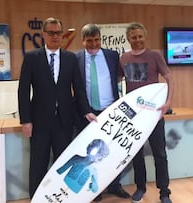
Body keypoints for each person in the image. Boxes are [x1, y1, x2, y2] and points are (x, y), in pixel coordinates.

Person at [17, 17, 96, 199]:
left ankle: (61, 198)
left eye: (58, 33)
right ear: (44, 34)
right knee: (38, 164)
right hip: (39, 123)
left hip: (64, 122)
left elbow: (78, 87)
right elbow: (23, 91)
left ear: (62, 35)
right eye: (51, 33)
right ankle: (37, 199)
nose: (55, 36)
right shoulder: (31, 58)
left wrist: (86, 111)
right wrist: (26, 120)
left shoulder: (70, 58)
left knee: (62, 164)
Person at [119, 22, 174, 203]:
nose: (137, 40)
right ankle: (140, 187)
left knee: (160, 154)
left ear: (145, 36)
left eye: (140, 36)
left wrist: (168, 103)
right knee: (136, 154)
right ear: (128, 39)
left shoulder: (154, 55)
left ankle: (164, 191)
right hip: (134, 117)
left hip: (154, 115)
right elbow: (119, 81)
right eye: (134, 37)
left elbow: (169, 78)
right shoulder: (123, 58)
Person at [75, 23, 130, 202]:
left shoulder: (112, 55)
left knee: (113, 151)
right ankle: (95, 189)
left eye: (97, 40)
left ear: (101, 38)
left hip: (110, 110)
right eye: (89, 41)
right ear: (82, 41)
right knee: (91, 153)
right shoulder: (75, 58)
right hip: (87, 113)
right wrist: (85, 110)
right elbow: (76, 87)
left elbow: (120, 76)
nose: (93, 44)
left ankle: (115, 185)